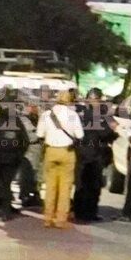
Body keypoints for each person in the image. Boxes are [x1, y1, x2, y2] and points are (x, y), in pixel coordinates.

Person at [36, 90, 84, 228]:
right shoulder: (73, 115)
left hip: (50, 151)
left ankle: (47, 217)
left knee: (50, 186)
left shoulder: (46, 115)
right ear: (69, 99)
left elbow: (39, 133)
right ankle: (60, 219)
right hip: (67, 152)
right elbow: (80, 135)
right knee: (65, 187)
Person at [73, 90, 113, 222]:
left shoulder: (80, 113)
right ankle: (89, 213)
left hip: (81, 152)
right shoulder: (101, 114)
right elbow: (106, 133)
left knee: (81, 184)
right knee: (93, 186)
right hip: (94, 154)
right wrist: (114, 133)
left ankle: (79, 212)